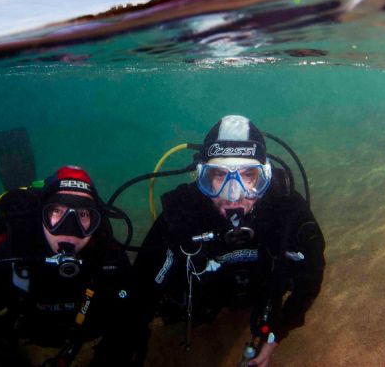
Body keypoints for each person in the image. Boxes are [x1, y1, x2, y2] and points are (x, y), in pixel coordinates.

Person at [129, 115, 326, 366]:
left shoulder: (286, 210)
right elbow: (139, 295)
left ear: (264, 177)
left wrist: (279, 330)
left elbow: (311, 275)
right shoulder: (182, 215)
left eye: (248, 175)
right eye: (220, 175)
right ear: (202, 178)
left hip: (260, 297)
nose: (234, 196)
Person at [0, 165, 134, 366]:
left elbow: (132, 313)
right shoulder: (12, 246)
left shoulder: (107, 253)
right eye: (57, 211)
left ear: (97, 220)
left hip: (73, 328)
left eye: (83, 214)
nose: (69, 229)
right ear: (41, 215)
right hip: (19, 324)